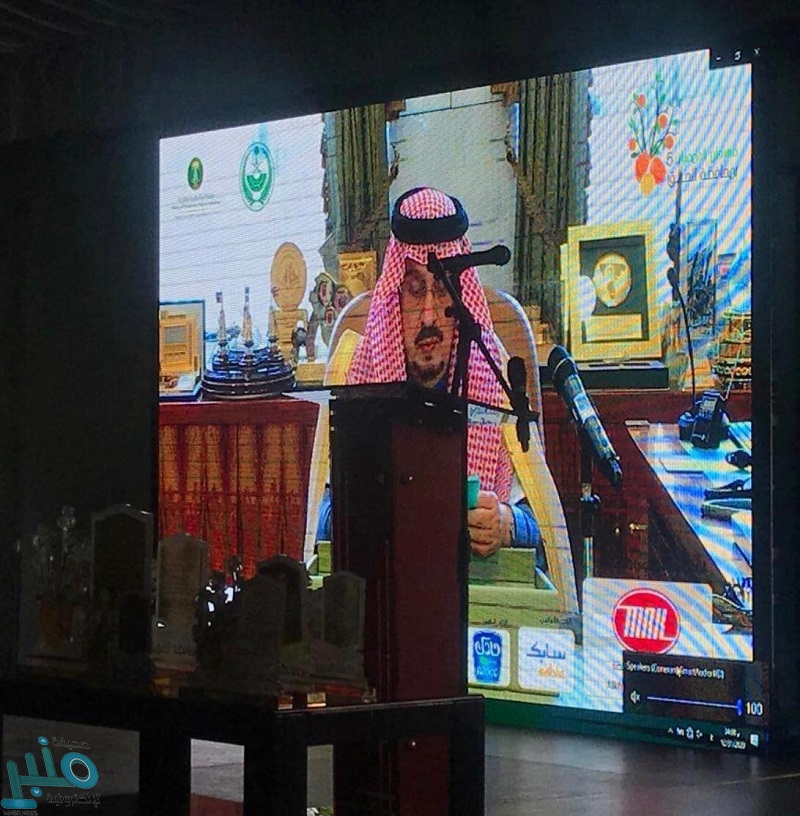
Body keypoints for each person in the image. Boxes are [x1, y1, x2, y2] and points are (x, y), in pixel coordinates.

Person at [312, 186, 549, 564]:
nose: (428, 315)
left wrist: (507, 524)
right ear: (394, 298)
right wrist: (361, 511)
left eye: (442, 290)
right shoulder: (355, 373)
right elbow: (321, 522)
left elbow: (544, 529)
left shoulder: (498, 378)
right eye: (414, 290)